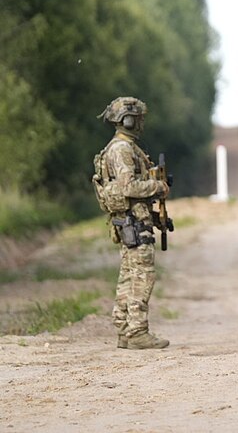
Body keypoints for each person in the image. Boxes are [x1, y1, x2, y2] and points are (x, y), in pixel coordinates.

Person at [91, 96, 171, 350]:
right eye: (138, 118)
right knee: (142, 274)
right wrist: (159, 186)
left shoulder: (121, 147)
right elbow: (129, 187)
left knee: (128, 275)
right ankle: (137, 331)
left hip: (130, 221)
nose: (141, 123)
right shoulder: (123, 150)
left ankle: (124, 329)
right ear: (127, 120)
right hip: (134, 222)